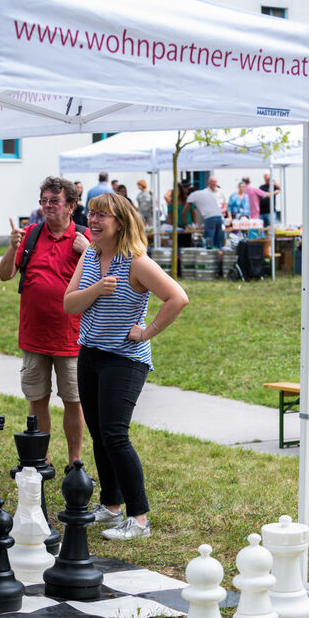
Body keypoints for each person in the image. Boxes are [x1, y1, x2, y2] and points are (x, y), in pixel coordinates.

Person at [64, 192, 188, 540]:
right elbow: (69, 305)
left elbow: (178, 298)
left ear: (120, 222)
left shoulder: (136, 262)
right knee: (100, 434)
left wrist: (148, 331)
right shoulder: (89, 255)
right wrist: (97, 290)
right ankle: (111, 506)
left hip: (125, 358)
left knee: (115, 435)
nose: (94, 220)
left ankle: (139, 518)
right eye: (91, 213)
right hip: (90, 353)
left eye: (102, 215)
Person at [0, 176, 91, 467]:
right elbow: (5, 275)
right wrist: (12, 247)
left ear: (72, 206)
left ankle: (74, 461)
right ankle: (41, 458)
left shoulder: (85, 238)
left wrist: (88, 251)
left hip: (72, 336)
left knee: (73, 401)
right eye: (44, 201)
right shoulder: (29, 234)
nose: (48, 206)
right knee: (37, 399)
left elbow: (104, 282)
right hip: (34, 335)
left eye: (55, 201)